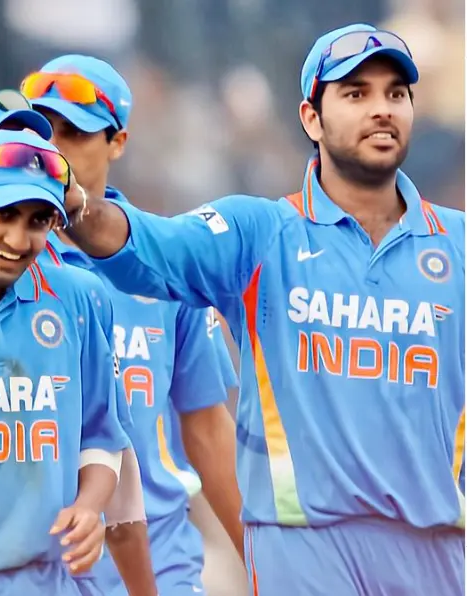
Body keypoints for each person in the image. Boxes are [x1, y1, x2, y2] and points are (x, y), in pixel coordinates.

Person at [55, 24, 465, 595]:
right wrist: (77, 207)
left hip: (437, 548)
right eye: (356, 94)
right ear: (311, 118)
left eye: (396, 94)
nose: (381, 109)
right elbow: (148, 246)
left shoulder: (458, 248)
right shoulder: (259, 232)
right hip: (302, 544)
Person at [0, 87, 156, 595]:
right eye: (1, 214)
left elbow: (102, 437)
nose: (18, 242)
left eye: (38, 220)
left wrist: (88, 507)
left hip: (47, 581)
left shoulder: (80, 297)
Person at [21, 56, 244, 596]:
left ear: (117, 142)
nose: (56, 146)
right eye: (43, 129)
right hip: (37, 566)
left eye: (76, 131)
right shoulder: (7, 261)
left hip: (160, 563)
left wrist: (260, 555)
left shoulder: (164, 264)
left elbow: (207, 428)